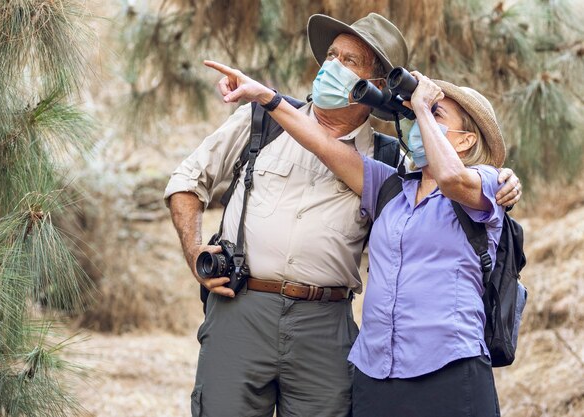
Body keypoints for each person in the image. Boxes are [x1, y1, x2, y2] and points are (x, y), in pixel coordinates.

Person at [166, 13, 520, 417]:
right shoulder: (273, 128)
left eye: (349, 62)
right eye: (330, 56)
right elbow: (317, 146)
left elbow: (453, 179)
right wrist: (266, 97)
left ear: (377, 87)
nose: (331, 67)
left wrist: (497, 175)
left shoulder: (402, 166)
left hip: (356, 333)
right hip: (263, 314)